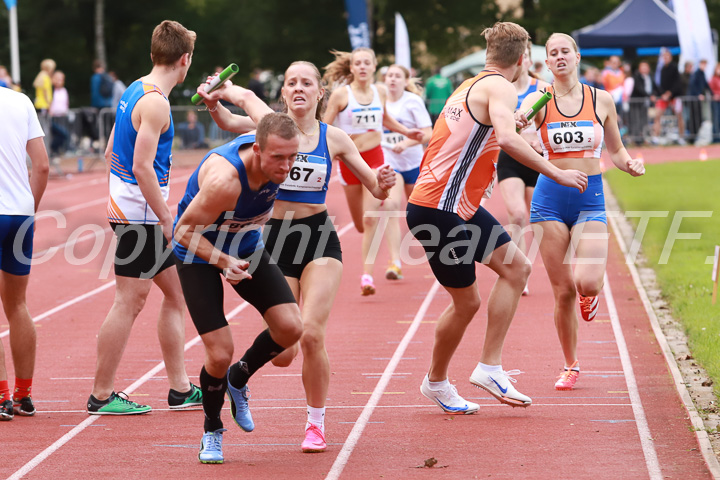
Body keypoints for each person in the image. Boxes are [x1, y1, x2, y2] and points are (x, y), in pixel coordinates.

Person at [198, 61, 395, 454]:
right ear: (284, 93)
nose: (299, 88)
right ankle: (240, 374)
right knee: (285, 350)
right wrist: (214, 99)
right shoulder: (268, 127)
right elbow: (230, 113)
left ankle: (316, 424)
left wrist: (384, 183)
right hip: (273, 239)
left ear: (320, 93)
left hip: (319, 239)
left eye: (307, 82)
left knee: (312, 332)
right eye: (292, 83)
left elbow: (375, 188)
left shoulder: (334, 137)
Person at [406, 22, 588, 414]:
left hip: (457, 207)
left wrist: (508, 127)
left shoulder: (470, 85)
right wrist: (557, 172)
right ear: (523, 60)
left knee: (518, 269)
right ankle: (436, 382)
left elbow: (482, 135)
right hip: (437, 209)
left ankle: (489, 367)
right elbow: (505, 139)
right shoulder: (503, 87)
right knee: (467, 302)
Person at [172, 111, 304, 464]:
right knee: (218, 351)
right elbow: (182, 232)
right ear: (257, 150)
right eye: (278, 157)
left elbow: (248, 100)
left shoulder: (278, 147)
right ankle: (212, 430)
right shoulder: (225, 181)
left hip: (245, 246)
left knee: (291, 327)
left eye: (293, 156)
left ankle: (239, 377)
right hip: (198, 252)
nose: (286, 165)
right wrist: (221, 260)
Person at [87, 20, 201, 415]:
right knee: (129, 300)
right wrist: (166, 217)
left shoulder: (136, 88)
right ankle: (101, 395)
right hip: (143, 215)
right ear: (183, 60)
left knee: (176, 293)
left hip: (133, 210)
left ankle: (180, 388)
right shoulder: (155, 102)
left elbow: (108, 154)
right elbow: (141, 167)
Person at [521, 33, 644, 391]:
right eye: (552, 54)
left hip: (590, 196)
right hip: (549, 200)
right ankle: (570, 364)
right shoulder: (539, 97)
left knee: (586, 282)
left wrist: (629, 164)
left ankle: (592, 294)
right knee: (563, 293)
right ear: (546, 62)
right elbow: (513, 127)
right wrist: (523, 112)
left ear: (577, 57)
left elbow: (617, 150)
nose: (559, 58)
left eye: (565, 52)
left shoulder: (601, 99)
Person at [323, 47, 423, 295]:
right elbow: (324, 129)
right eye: (358, 63)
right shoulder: (340, 95)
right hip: (350, 163)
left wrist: (406, 132)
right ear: (352, 68)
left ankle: (366, 276)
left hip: (376, 159)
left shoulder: (380, 92)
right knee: (360, 223)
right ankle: (371, 262)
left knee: (370, 218)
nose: (363, 67)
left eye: (367, 62)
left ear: (375, 66)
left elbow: (385, 119)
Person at [0, 86, 50, 420]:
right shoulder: (20, 101)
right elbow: (42, 166)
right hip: (20, 214)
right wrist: (29, 207)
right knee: (17, 305)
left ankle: (1, 396)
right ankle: (23, 394)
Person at [496, 41, 550, 295]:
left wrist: (538, 140)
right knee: (517, 215)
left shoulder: (543, 89)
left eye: (525, 56)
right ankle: (520, 272)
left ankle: (525, 264)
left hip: (537, 159)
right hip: (510, 158)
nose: (522, 60)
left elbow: (550, 124)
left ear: (528, 61)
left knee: (537, 220)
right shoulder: (501, 91)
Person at [380, 64, 432, 280]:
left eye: (397, 76)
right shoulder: (378, 101)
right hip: (390, 163)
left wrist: (407, 143)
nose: (392, 79)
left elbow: (428, 134)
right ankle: (395, 261)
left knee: (421, 214)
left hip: (414, 164)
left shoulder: (412, 101)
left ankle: (437, 252)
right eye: (389, 76)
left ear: (405, 80)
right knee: (391, 206)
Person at [653, 50, 685, 144]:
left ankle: (681, 137)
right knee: (657, 115)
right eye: (664, 57)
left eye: (667, 57)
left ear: (670, 57)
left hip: (675, 96)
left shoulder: (674, 67)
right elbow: (660, 84)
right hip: (664, 97)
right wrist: (663, 94)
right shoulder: (662, 69)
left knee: (679, 116)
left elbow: (677, 83)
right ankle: (656, 137)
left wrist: (670, 93)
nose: (665, 59)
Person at [629, 61, 658, 143]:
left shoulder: (650, 77)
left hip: (646, 103)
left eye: (646, 67)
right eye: (643, 67)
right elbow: (639, 89)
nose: (644, 69)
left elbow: (655, 88)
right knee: (636, 120)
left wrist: (655, 95)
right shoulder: (637, 76)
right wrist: (650, 96)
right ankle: (636, 139)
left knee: (644, 120)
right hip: (636, 103)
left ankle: (643, 138)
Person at [48, 70, 70, 172]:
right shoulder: (51, 90)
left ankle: (55, 152)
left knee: (63, 134)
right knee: (62, 134)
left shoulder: (64, 90)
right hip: (53, 117)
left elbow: (65, 104)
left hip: (62, 117)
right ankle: (53, 151)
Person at [687, 60, 710, 139]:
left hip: (698, 99)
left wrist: (713, 94)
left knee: (699, 118)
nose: (704, 66)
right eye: (703, 64)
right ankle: (693, 136)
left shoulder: (702, 74)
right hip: (694, 99)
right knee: (695, 118)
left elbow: (706, 85)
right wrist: (698, 94)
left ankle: (696, 135)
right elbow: (692, 85)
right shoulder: (696, 73)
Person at [709, 64, 720, 141]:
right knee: (715, 118)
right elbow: (710, 90)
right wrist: (715, 95)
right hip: (715, 101)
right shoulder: (713, 79)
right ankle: (715, 137)